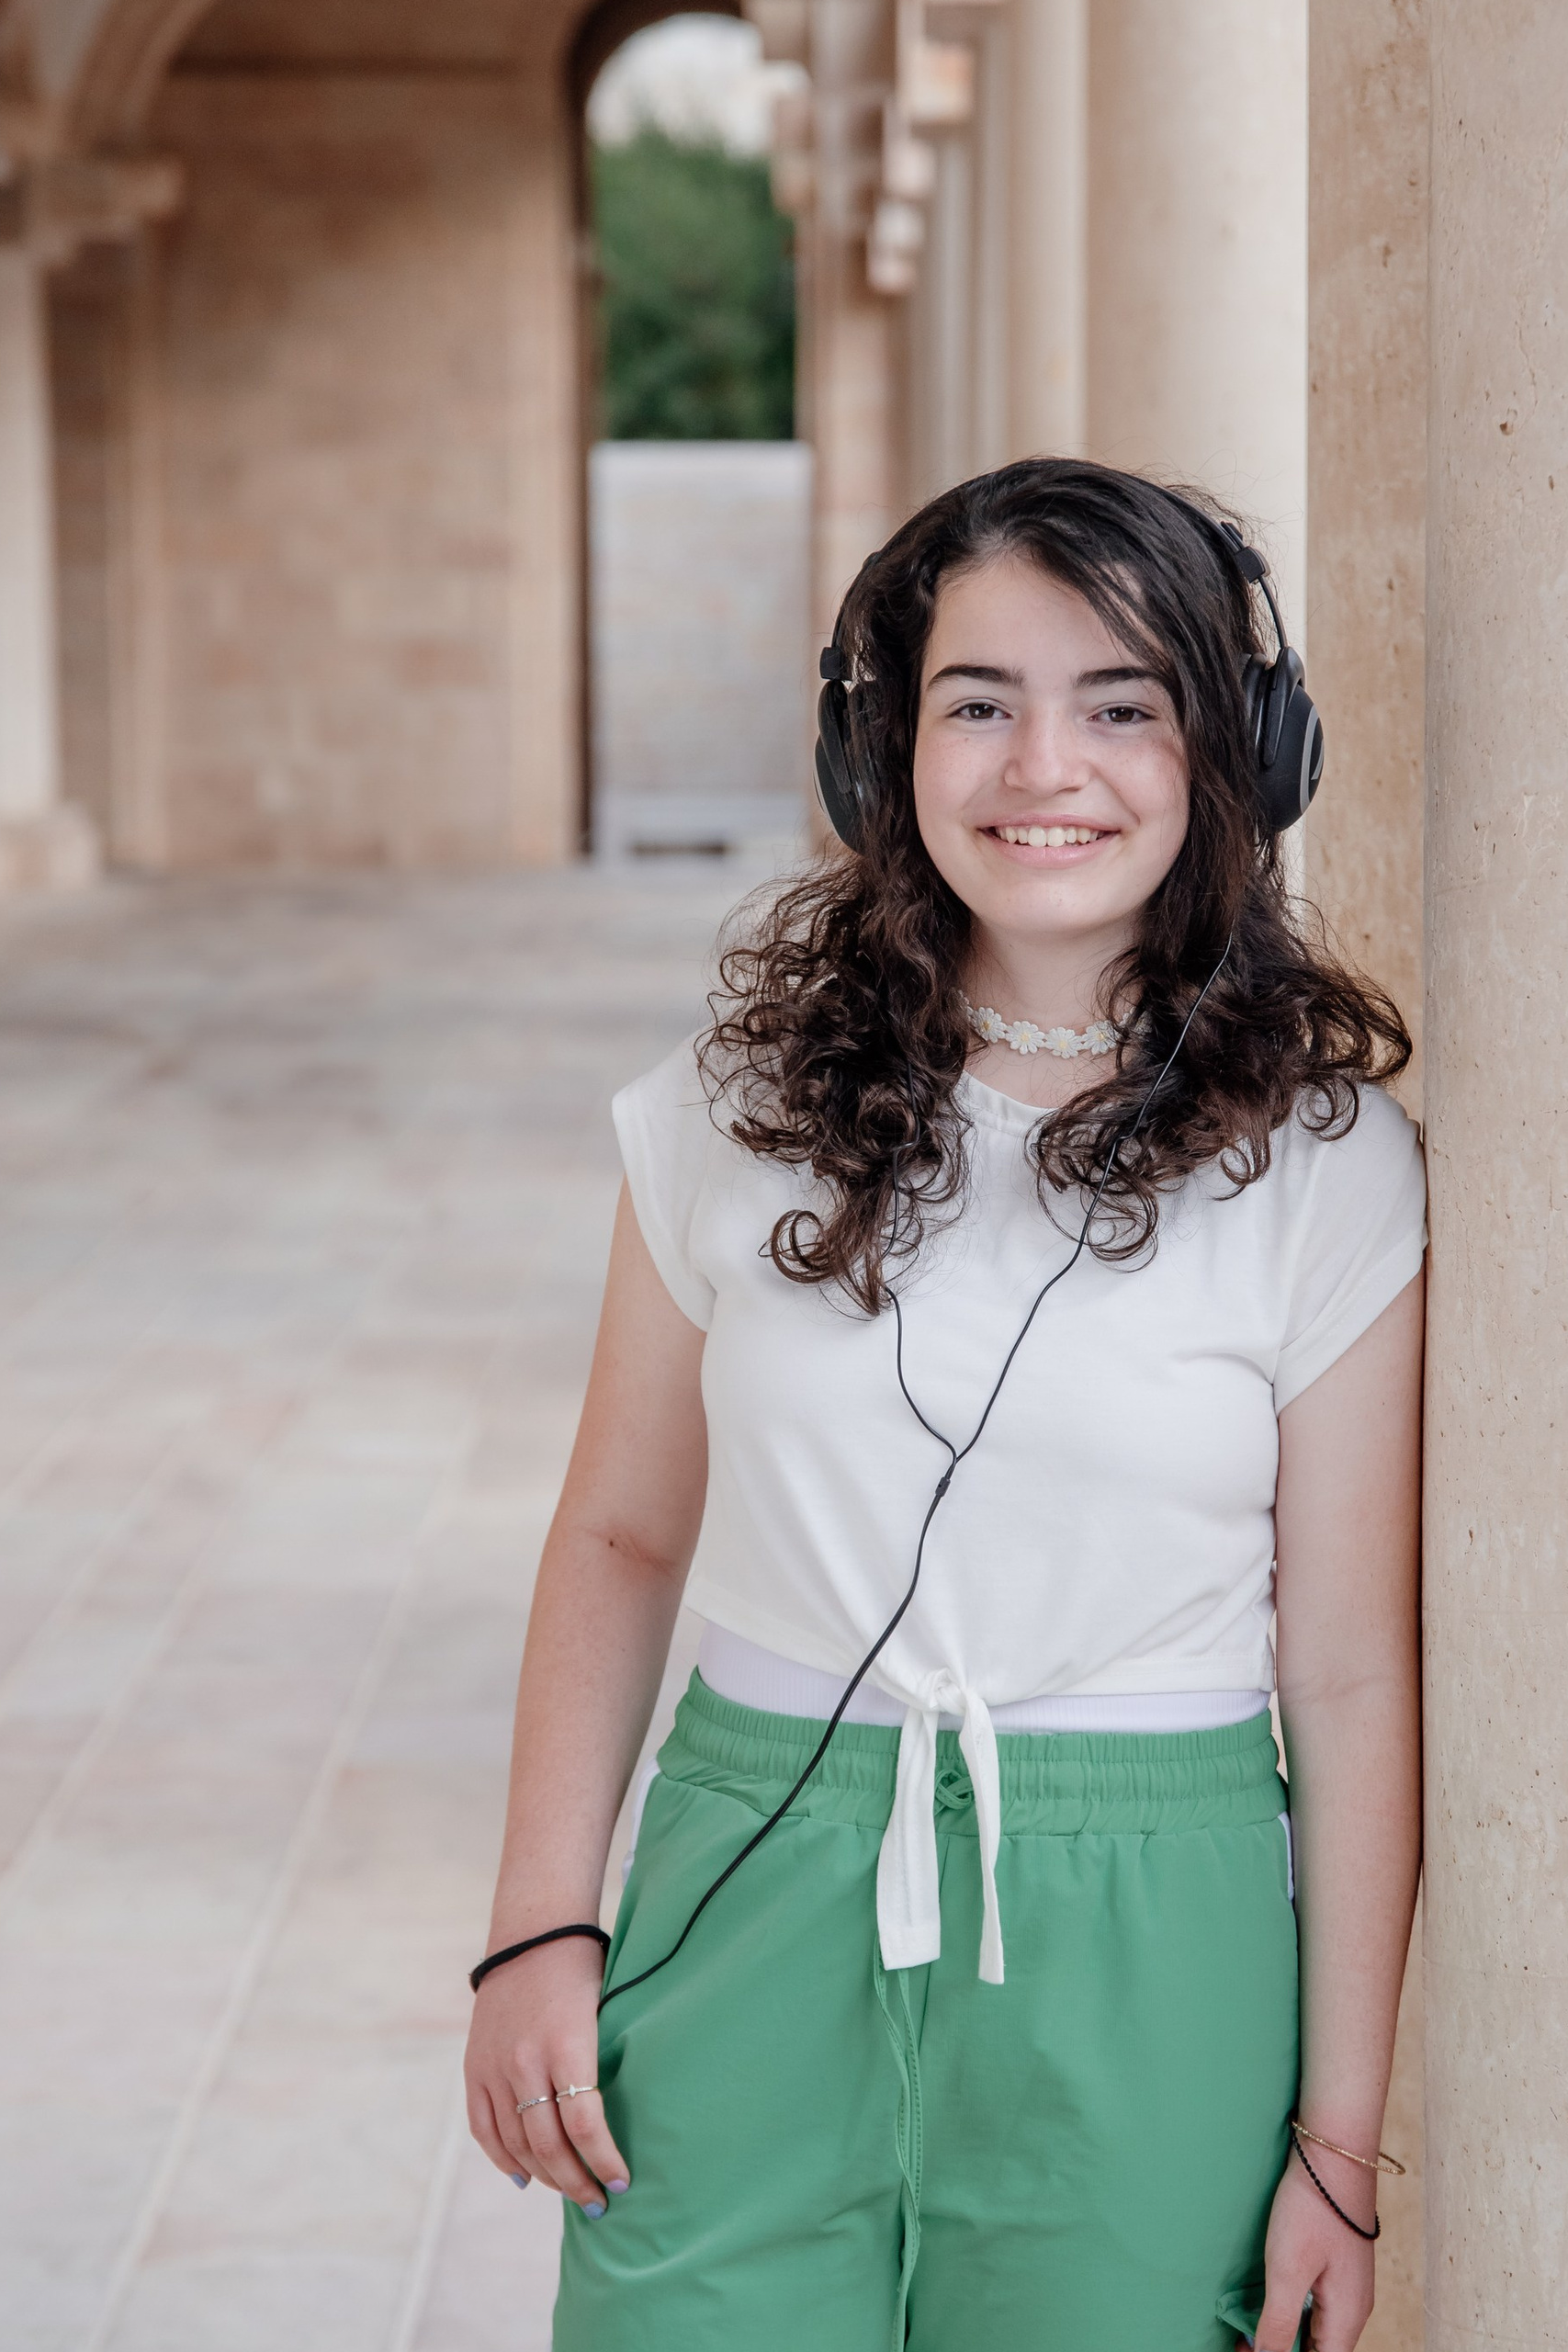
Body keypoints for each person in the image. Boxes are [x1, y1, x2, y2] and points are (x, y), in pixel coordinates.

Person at [463, 457, 1425, 2352]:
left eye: (1120, 705)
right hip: (755, 1859)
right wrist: (537, 1920)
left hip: (1155, 1915)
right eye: (975, 702)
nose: (1039, 768)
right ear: (879, 752)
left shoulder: (1328, 1167)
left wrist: (1336, 2138)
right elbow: (619, 1530)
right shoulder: (729, 1105)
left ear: (1235, 752)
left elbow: (1348, 1673)